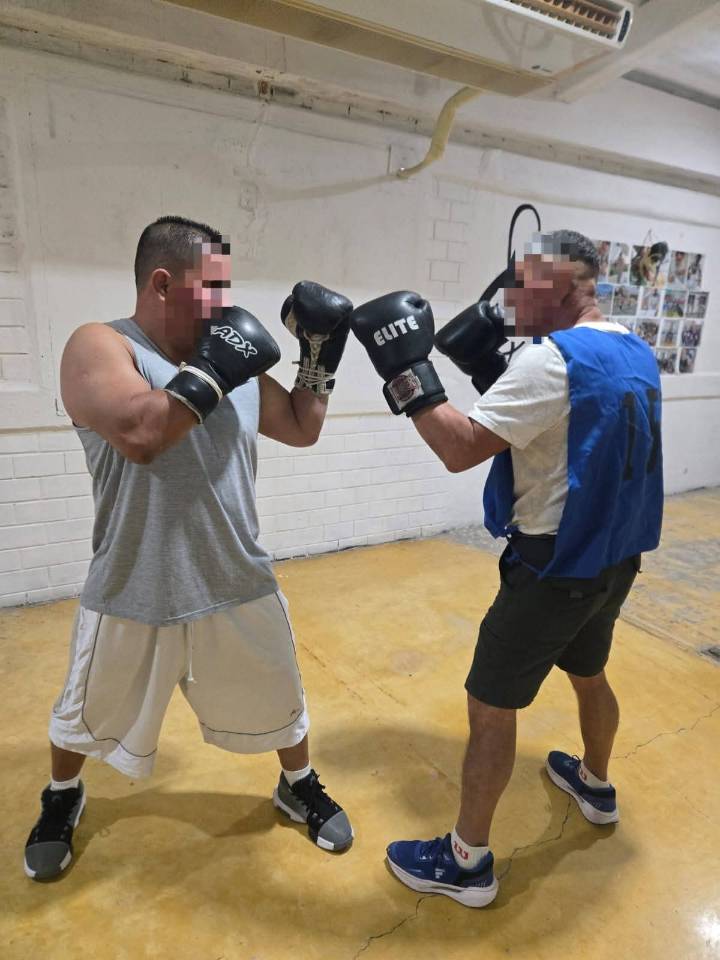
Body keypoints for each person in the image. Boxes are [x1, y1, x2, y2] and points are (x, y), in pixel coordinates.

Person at [24, 215, 354, 881]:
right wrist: (215, 367)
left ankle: (298, 784)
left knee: (282, 697)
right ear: (162, 283)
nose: (224, 303)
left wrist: (318, 358)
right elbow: (141, 434)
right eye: (213, 287)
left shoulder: (229, 354)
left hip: (236, 573)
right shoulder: (101, 345)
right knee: (84, 712)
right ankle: (62, 795)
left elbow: (300, 426)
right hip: (133, 578)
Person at [351, 230, 663, 908]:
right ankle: (596, 785)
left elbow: (459, 449)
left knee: (491, 706)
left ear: (562, 283)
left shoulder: (549, 362)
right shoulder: (634, 349)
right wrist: (493, 371)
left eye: (521, 283)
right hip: (614, 559)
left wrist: (406, 369)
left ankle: (466, 862)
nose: (506, 297)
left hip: (552, 569)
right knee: (589, 673)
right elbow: (572, 428)